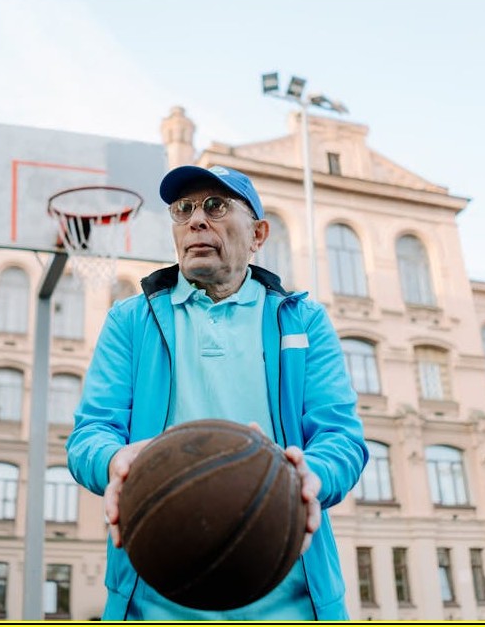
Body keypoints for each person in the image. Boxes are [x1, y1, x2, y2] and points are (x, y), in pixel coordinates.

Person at [66, 164, 368, 620]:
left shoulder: (303, 321)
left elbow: (342, 440)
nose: (196, 220)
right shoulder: (130, 321)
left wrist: (312, 475)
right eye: (182, 209)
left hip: (291, 604)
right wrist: (114, 461)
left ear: (258, 234)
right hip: (154, 603)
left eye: (216, 205)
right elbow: (89, 436)